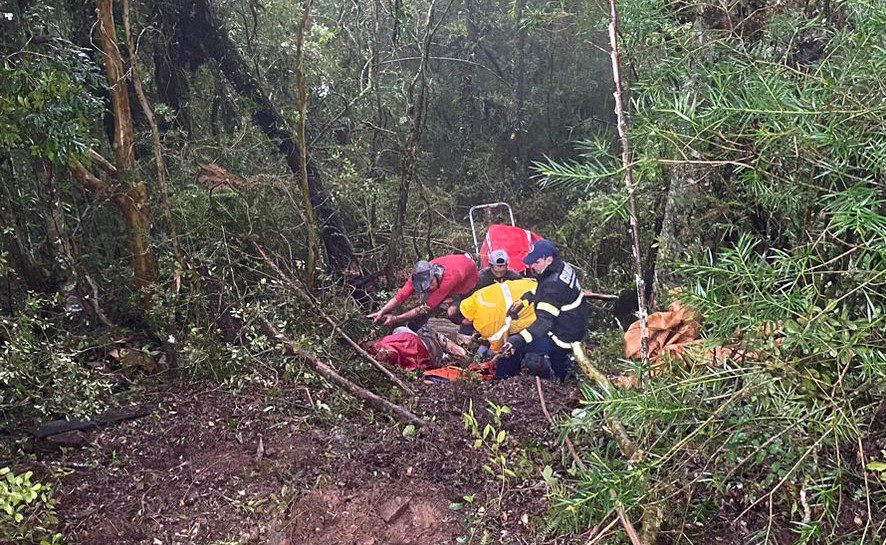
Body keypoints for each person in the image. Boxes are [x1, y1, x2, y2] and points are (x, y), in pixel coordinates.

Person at [499, 239, 588, 380]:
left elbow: (543, 323)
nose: (531, 266)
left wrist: (517, 340)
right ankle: (565, 378)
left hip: (564, 332)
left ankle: (505, 381)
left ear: (548, 260)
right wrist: (525, 300)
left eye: (536, 262)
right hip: (574, 320)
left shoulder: (553, 285)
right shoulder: (560, 267)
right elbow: (544, 291)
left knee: (535, 356)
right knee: (559, 362)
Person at [367, 253, 479, 330]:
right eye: (425, 287)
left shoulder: (449, 280)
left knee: (455, 313)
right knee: (430, 300)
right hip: (457, 268)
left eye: (430, 283)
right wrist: (382, 311)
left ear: (433, 275)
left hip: (467, 281)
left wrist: (396, 319)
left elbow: (425, 308)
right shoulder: (419, 275)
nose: (429, 288)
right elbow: (400, 296)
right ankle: (414, 327)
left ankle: (467, 332)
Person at [454, 278, 538, 354]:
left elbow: (498, 340)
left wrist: (492, 354)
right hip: (532, 288)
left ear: (464, 320)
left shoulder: (483, 323)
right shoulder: (475, 297)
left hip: (532, 307)